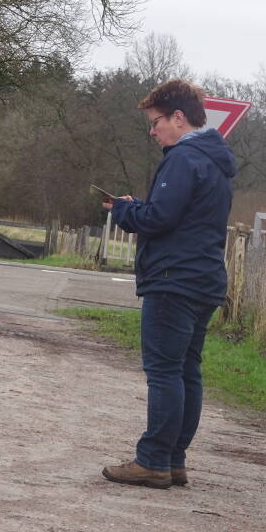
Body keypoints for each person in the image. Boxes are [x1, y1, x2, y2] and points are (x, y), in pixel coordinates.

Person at [101, 79, 235, 489]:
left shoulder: (182, 158)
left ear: (178, 117)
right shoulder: (216, 162)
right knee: (186, 372)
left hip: (172, 280)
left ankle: (153, 460)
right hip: (204, 279)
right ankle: (174, 460)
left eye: (155, 121)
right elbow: (180, 216)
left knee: (164, 372)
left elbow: (160, 219)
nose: (152, 131)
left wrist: (124, 212)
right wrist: (138, 207)